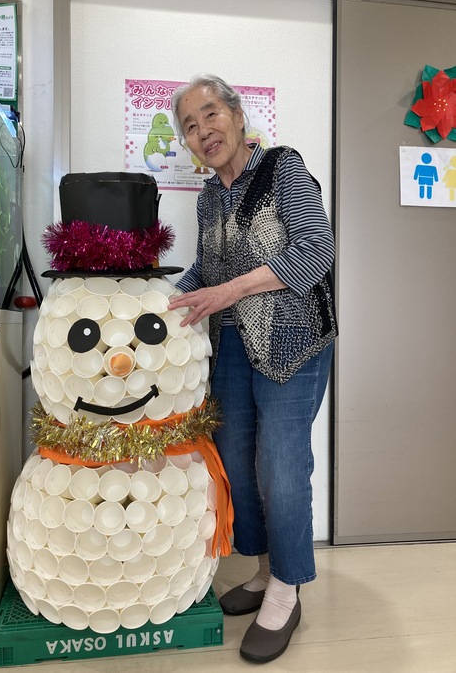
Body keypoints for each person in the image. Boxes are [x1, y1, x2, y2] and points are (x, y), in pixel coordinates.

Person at [168, 74, 338, 664]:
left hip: (293, 341)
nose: (203, 131)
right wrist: (160, 300)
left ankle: (288, 588)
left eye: (211, 114)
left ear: (238, 116)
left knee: (281, 466)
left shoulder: (283, 167)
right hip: (233, 344)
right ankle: (267, 570)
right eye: (191, 126)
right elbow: (205, 270)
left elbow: (315, 253)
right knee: (237, 462)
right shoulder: (208, 198)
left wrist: (228, 290)